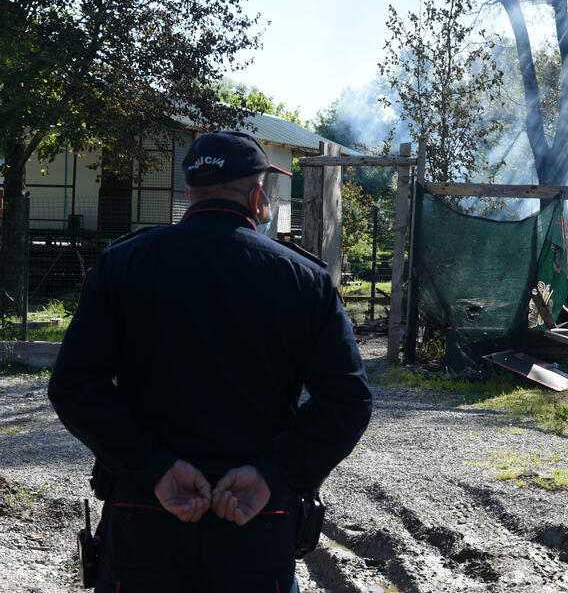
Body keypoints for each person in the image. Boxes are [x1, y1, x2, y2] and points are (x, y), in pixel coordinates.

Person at [48, 130, 373, 593]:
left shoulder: (123, 265)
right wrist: (273, 475)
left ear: (187, 195)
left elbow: (74, 387)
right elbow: (347, 401)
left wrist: (155, 467)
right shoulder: (305, 280)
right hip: (256, 523)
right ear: (258, 197)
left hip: (146, 519)